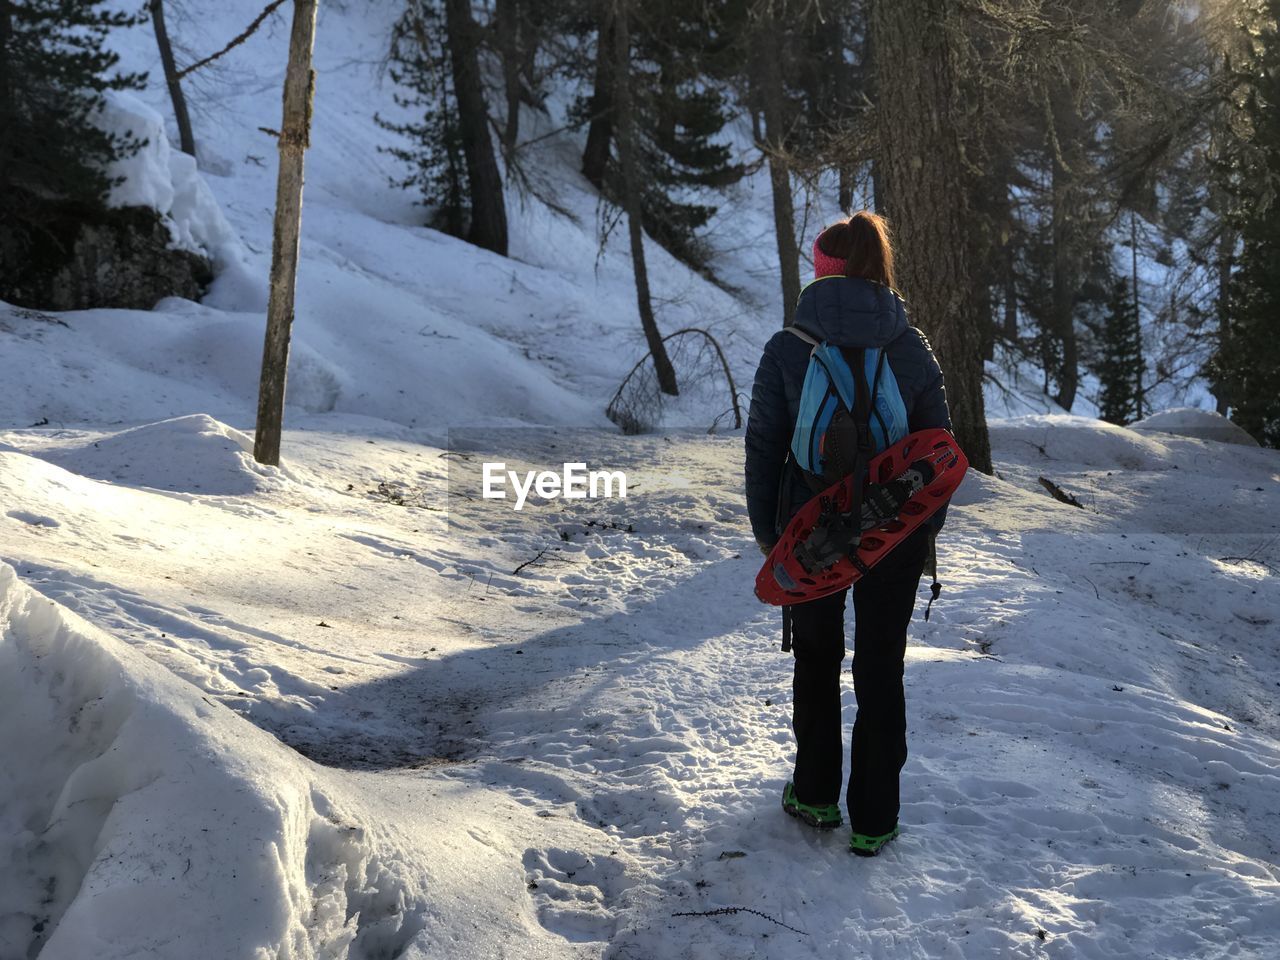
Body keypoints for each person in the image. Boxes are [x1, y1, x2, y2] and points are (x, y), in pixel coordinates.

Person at [744, 211, 952, 856]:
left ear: (822, 271)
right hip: (894, 530)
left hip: (812, 531)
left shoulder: (787, 347)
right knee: (881, 667)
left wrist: (770, 536)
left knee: (816, 660)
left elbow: (764, 448)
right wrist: (921, 533)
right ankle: (875, 818)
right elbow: (939, 452)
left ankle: (813, 794)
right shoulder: (912, 347)